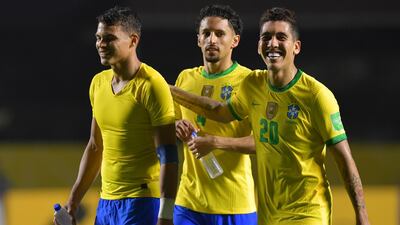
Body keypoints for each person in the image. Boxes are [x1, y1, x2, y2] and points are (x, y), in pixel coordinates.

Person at [170, 7, 370, 225]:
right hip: (268, 213)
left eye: (281, 37)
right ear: (258, 46)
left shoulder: (317, 96)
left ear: (296, 47)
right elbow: (220, 111)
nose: (272, 43)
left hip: (307, 212)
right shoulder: (253, 85)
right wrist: (167, 89)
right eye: (266, 37)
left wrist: (361, 215)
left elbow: (344, 160)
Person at [55, 6, 178, 225]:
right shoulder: (98, 84)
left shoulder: (152, 85)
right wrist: (72, 203)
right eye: (99, 37)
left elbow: (168, 155)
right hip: (107, 202)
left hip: (142, 201)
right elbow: (95, 146)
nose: (101, 44)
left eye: (109, 38)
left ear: (133, 41)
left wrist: (166, 214)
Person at [173, 5, 257, 225]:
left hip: (234, 204)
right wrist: (175, 126)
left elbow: (262, 142)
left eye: (220, 34)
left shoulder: (250, 82)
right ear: (198, 39)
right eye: (206, 34)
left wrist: (216, 142)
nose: (212, 40)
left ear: (234, 41)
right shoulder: (185, 79)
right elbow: (170, 122)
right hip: (189, 202)